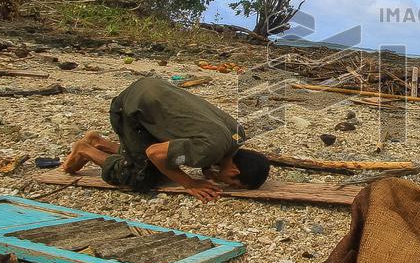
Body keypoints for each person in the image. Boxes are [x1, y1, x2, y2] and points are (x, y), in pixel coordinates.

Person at [63, 77, 269, 202]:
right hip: (130, 109)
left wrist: (207, 169)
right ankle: (85, 150)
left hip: (152, 91)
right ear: (234, 170)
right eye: (232, 184)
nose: (225, 184)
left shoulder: (237, 135)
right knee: (140, 175)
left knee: (166, 164)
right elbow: (154, 153)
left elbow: (204, 137)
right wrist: (190, 183)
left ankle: (99, 142)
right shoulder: (209, 150)